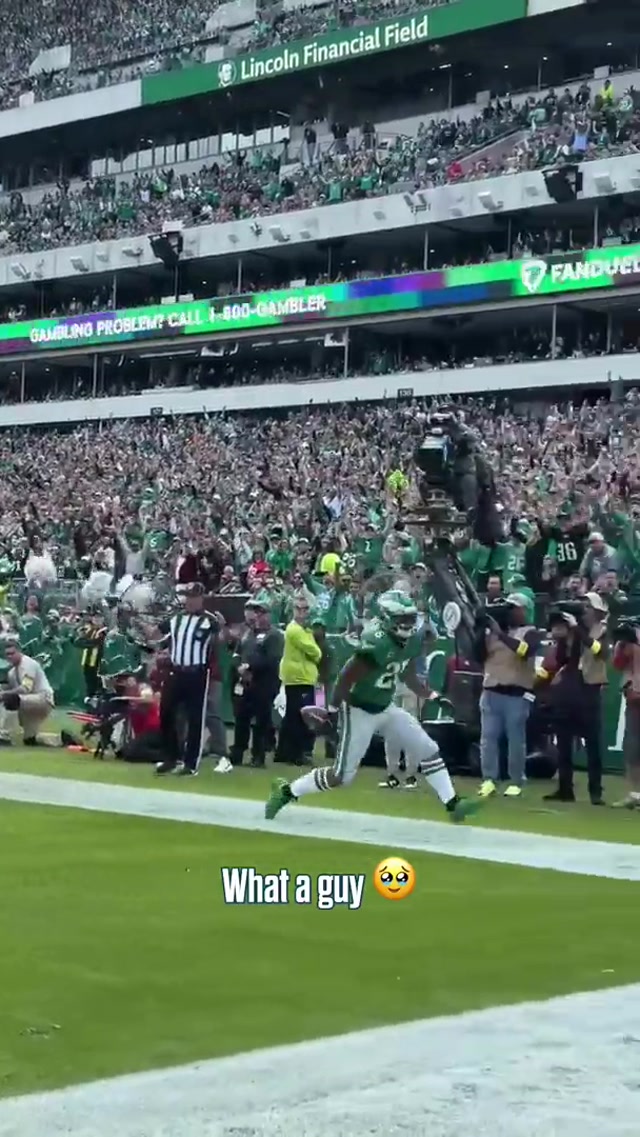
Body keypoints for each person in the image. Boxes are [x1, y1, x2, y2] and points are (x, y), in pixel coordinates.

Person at [265, 590, 479, 822]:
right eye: (401, 618)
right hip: (359, 710)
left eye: (409, 617)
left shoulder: (411, 640)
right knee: (341, 776)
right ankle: (287, 791)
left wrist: (432, 695)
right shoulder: (377, 642)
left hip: (385, 706)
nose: (407, 623)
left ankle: (453, 804)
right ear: (387, 618)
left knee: (428, 749)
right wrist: (333, 710)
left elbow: (407, 673)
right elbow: (345, 678)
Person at [476, 593, 542, 799]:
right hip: (491, 690)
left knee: (516, 740)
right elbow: (478, 655)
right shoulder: (492, 633)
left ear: (524, 610)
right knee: (488, 738)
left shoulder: (531, 632)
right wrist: (480, 629)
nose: (509, 612)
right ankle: (489, 779)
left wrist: (500, 633)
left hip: (516, 693)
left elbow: (524, 651)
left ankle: (516, 780)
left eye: (513, 608)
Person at [155, 582, 220, 776]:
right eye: (188, 597)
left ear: (201, 599)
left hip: (197, 672)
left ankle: (191, 764)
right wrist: (140, 624)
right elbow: (156, 633)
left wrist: (223, 627)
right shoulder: (175, 618)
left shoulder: (209, 620)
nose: (189, 601)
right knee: (166, 712)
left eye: (193, 597)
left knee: (195, 718)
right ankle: (171, 756)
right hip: (176, 671)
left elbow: (222, 639)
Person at [227, 599, 283, 769]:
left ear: (269, 615)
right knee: (241, 718)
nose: (258, 616)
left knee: (261, 722)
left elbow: (272, 660)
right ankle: (238, 752)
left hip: (264, 683)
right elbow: (236, 653)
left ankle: (258, 756)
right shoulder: (247, 633)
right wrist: (239, 667)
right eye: (257, 613)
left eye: (262, 613)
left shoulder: (274, 635)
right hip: (245, 683)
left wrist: (250, 667)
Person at [275, 594, 322, 766]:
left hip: (308, 679)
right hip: (299, 678)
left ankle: (286, 752)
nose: (302, 612)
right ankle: (295, 753)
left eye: (305, 609)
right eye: (298, 608)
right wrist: (316, 653)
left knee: (294, 717)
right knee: (300, 717)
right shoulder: (294, 630)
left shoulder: (306, 631)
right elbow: (315, 652)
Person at [2, 638, 54, 744]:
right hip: (28, 703)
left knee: (10, 699)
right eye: (7, 654)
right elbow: (11, 689)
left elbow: (25, 688)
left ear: (19, 651)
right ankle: (62, 739)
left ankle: (4, 735)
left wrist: (3, 694)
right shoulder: (12, 672)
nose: (10, 656)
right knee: (30, 739)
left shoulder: (28, 664)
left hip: (42, 699)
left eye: (12, 653)